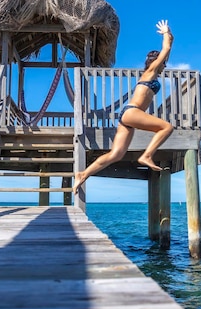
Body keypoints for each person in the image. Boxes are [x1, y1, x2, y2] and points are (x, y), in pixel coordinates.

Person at [73, 19, 174, 194]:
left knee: (116, 154)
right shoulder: (150, 73)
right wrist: (165, 33)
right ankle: (147, 155)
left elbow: (168, 48)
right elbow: (165, 50)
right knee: (167, 127)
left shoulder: (153, 74)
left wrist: (169, 35)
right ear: (156, 62)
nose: (165, 64)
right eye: (163, 62)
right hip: (132, 112)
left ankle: (83, 174)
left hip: (127, 116)